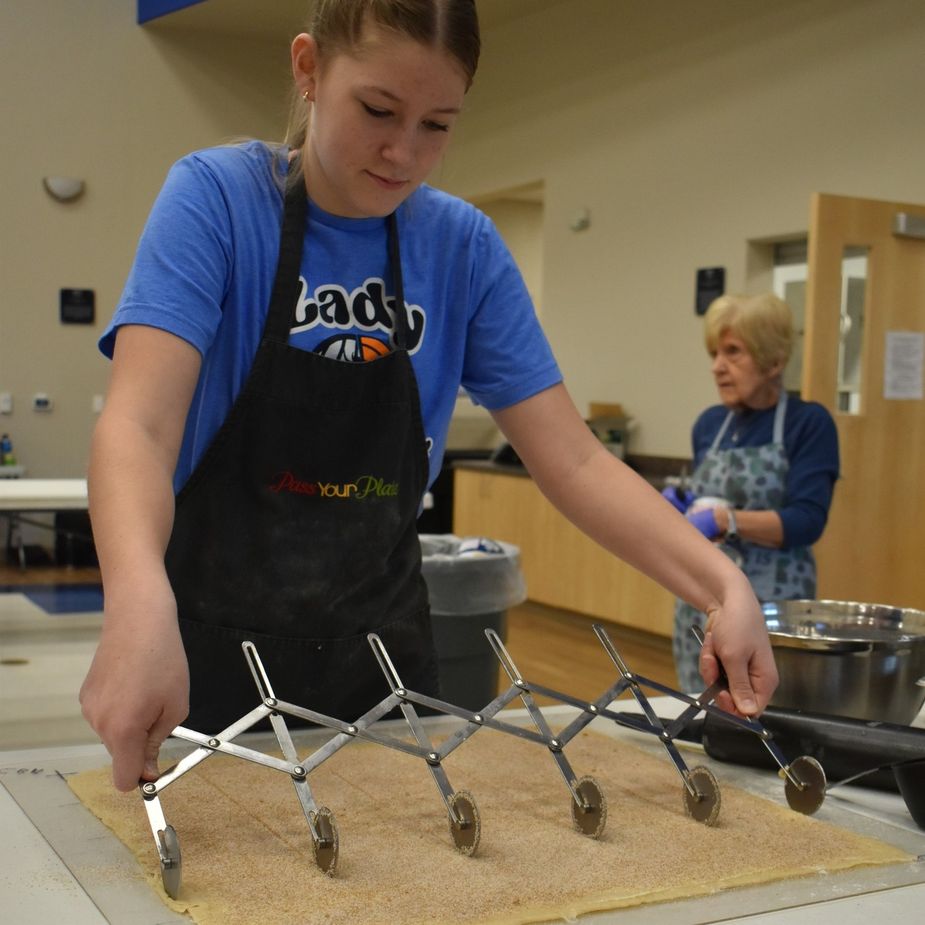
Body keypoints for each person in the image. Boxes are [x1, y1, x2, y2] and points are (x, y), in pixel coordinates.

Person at [80, 0, 778, 793]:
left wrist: (721, 585)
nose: (403, 152)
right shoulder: (217, 201)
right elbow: (138, 426)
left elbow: (575, 462)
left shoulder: (461, 249)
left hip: (382, 672)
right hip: (202, 663)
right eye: (378, 111)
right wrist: (135, 600)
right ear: (309, 69)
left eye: (437, 125)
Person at [665, 293, 839, 691]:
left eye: (733, 352)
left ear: (773, 361)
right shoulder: (709, 425)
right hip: (703, 599)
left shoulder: (808, 423)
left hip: (773, 603)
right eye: (714, 353)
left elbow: (807, 521)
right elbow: (710, 494)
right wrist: (685, 506)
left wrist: (725, 520)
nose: (717, 367)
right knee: (702, 699)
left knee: (760, 699)